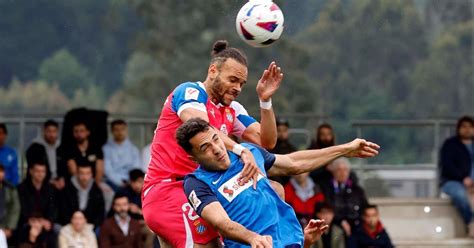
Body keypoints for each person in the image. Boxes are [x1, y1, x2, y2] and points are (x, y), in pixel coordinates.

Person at [142, 39, 284, 247]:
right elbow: (202, 127)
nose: (237, 88)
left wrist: (265, 100)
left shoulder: (232, 109)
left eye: (241, 84)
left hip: (202, 189)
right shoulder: (189, 92)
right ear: (212, 71)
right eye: (233, 80)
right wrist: (239, 149)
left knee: (274, 190)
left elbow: (267, 141)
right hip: (168, 189)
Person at [178, 118, 379, 247]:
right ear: (193, 158)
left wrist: (345, 149)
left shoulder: (249, 154)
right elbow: (222, 223)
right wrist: (252, 238)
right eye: (205, 147)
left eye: (216, 139)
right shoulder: (196, 183)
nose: (217, 148)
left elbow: (295, 162)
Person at [439, 115, 474, 236]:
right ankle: (471, 222)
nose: (467, 129)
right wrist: (463, 178)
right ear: (458, 128)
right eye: (464, 126)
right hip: (453, 181)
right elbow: (447, 165)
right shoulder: (450, 144)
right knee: (460, 195)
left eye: (470, 126)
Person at [318, 158, 369, 237]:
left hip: (356, 225)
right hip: (333, 224)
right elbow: (327, 208)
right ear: (333, 171)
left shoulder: (357, 190)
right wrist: (341, 221)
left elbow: (364, 207)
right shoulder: (326, 188)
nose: (342, 173)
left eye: (345, 169)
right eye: (339, 170)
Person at [60, 159, 105, 228]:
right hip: (70, 225)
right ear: (77, 174)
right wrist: (76, 224)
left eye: (88, 173)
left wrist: (90, 225)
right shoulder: (67, 189)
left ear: (91, 174)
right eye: (82, 173)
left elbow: (100, 213)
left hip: (90, 226)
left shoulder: (96, 190)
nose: (85, 177)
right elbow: (63, 212)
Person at [17, 160, 57, 231]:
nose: (40, 174)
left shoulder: (50, 188)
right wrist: (32, 220)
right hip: (26, 222)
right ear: (31, 171)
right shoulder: (22, 188)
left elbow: (52, 209)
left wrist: (48, 221)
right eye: (37, 171)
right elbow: (22, 209)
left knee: (57, 229)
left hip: (44, 222)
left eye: (43, 171)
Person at [103, 119, 141, 191]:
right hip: (112, 183)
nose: (120, 132)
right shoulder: (106, 149)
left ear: (126, 130)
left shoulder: (134, 149)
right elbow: (107, 170)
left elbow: (136, 168)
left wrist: (130, 181)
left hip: (131, 182)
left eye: (122, 129)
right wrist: (120, 182)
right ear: (112, 131)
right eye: (116, 130)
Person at [26, 120, 62, 189]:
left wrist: (62, 179)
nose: (52, 134)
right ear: (44, 131)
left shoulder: (61, 148)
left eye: (54, 131)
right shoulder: (34, 148)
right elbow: (34, 170)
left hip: (59, 184)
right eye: (49, 131)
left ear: (57, 132)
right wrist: (50, 181)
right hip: (41, 184)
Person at [0, 163, 20, 245]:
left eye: (1, 171)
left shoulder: (10, 188)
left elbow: (15, 209)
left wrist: (9, 227)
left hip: (5, 226)